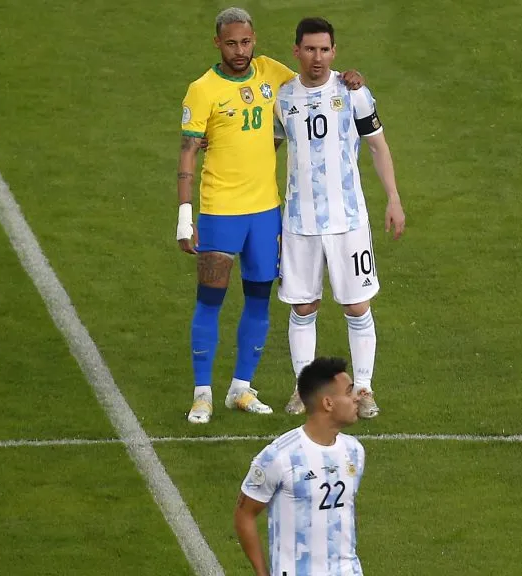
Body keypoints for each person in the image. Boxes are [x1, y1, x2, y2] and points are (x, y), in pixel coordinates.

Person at [177, 7, 364, 424]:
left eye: (246, 42)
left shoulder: (270, 73)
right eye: (231, 43)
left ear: (255, 38)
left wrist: (351, 77)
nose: (240, 50)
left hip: (266, 212)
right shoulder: (202, 89)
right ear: (217, 43)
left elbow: (313, 81)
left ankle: (241, 389)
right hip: (221, 210)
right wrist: (184, 216)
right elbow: (188, 150)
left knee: (259, 301)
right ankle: (202, 393)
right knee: (210, 300)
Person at [272, 17, 406, 419]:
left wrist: (394, 199)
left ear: (335, 51)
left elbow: (378, 148)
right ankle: (304, 389)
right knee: (303, 306)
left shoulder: (354, 94)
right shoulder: (282, 99)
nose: (318, 57)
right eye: (310, 49)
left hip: (348, 219)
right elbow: (264, 150)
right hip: (298, 221)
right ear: (296, 50)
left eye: (325, 49)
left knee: (357, 305)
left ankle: (362, 389)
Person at [234, 356, 366, 576]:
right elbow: (244, 515)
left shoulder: (354, 451)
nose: (357, 398)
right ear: (328, 403)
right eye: (349, 392)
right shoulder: (279, 456)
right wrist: (262, 572)